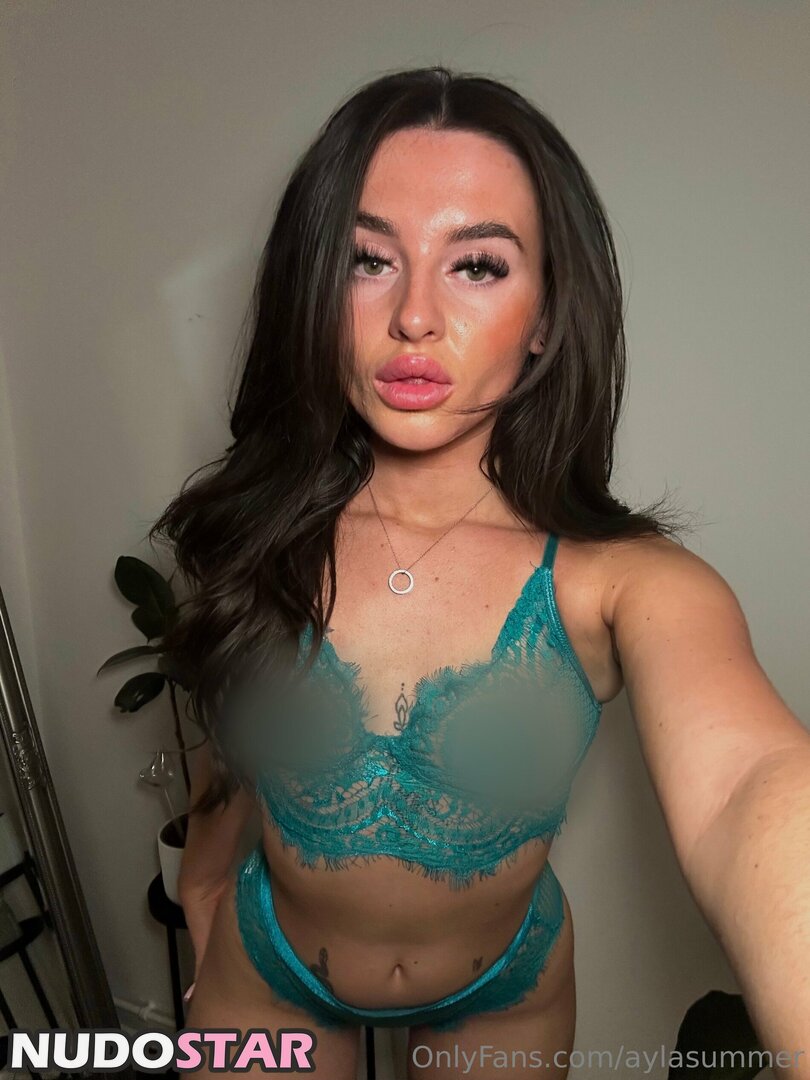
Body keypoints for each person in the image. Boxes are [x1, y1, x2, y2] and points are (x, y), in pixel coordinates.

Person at [150, 67, 810, 1079]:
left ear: (546, 316)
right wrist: (201, 889)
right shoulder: (257, 532)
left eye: (477, 266)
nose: (414, 317)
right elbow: (228, 740)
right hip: (267, 968)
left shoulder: (624, 582)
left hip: (502, 987)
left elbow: (746, 788)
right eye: (369, 259)